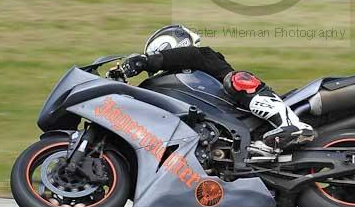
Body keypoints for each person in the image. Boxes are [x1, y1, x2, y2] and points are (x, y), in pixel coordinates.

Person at [121, 24, 314, 150]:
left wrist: (145, 62)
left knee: (236, 79)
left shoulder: (201, 57)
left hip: (243, 114)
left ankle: (291, 125)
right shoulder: (166, 86)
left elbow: (189, 55)